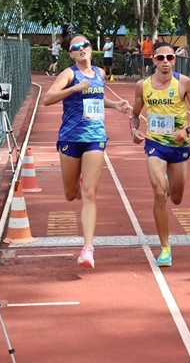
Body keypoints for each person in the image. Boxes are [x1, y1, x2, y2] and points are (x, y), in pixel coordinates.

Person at [43, 35, 131, 269]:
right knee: (71, 194)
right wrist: (74, 89)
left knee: (90, 193)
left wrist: (115, 105)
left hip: (95, 138)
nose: (81, 49)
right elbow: (48, 99)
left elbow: (97, 99)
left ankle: (88, 248)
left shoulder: (101, 74)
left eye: (85, 45)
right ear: (71, 53)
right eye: (76, 47)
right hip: (70, 138)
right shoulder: (69, 74)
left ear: (92, 49)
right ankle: (77, 182)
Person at [131, 43, 190, 268]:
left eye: (169, 57)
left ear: (174, 60)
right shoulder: (142, 86)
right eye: (160, 57)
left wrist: (187, 130)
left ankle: (168, 183)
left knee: (177, 198)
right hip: (155, 144)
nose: (165, 61)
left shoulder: (183, 83)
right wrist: (133, 130)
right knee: (159, 194)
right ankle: (165, 248)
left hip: (178, 145)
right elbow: (135, 115)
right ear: (153, 59)